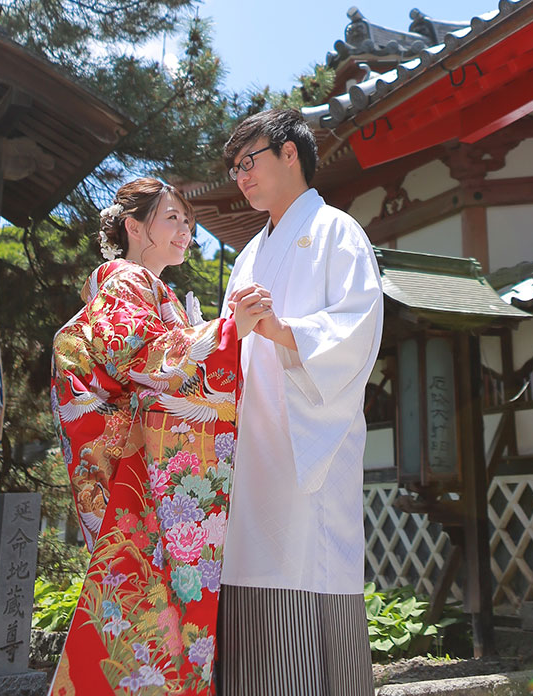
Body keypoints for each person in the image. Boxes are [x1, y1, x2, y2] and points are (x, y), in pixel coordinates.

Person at [50, 178, 270, 696]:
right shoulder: (124, 278)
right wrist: (224, 331)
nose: (186, 230)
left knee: (146, 600)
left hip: (149, 463)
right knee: (145, 598)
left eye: (188, 222)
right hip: (137, 468)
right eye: (173, 218)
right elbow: (140, 355)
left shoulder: (154, 289)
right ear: (134, 226)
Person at [217, 109, 384, 696]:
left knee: (307, 562)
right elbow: (227, 343)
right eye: (235, 167)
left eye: (249, 161)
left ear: (291, 153)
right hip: (251, 441)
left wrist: (284, 330)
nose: (241, 176)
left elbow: (358, 327)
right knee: (247, 564)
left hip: (308, 436)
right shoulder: (246, 256)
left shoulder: (338, 231)